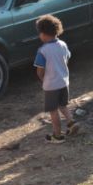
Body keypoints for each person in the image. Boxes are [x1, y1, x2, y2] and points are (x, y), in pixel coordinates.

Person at [33, 14, 79, 142]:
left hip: (51, 85)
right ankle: (71, 122)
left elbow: (40, 71)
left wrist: (43, 79)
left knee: (53, 111)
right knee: (63, 105)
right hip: (64, 82)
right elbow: (67, 57)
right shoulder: (63, 44)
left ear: (44, 34)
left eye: (40, 33)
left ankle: (57, 135)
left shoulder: (43, 51)